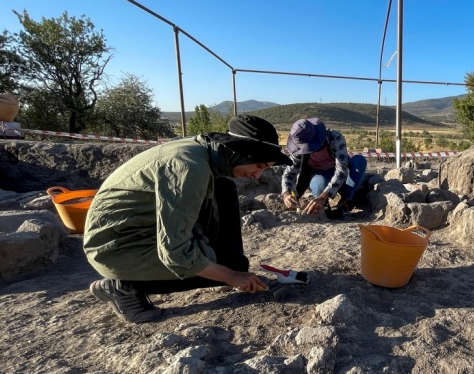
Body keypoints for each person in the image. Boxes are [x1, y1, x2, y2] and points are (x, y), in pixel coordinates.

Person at [83, 115, 293, 324]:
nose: (257, 176)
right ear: (241, 153)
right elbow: (176, 252)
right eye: (259, 165)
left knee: (223, 189)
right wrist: (231, 276)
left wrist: (229, 270)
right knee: (225, 267)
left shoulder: (204, 150)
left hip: (138, 227)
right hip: (116, 247)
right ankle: (125, 287)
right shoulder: (190, 168)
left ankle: (220, 266)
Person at [281, 117, 367, 219]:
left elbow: (341, 170)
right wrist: (286, 194)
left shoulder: (335, 138)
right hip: (319, 174)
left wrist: (323, 196)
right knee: (319, 184)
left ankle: (345, 202)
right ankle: (324, 206)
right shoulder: (299, 146)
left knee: (359, 161)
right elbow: (290, 172)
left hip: (341, 175)